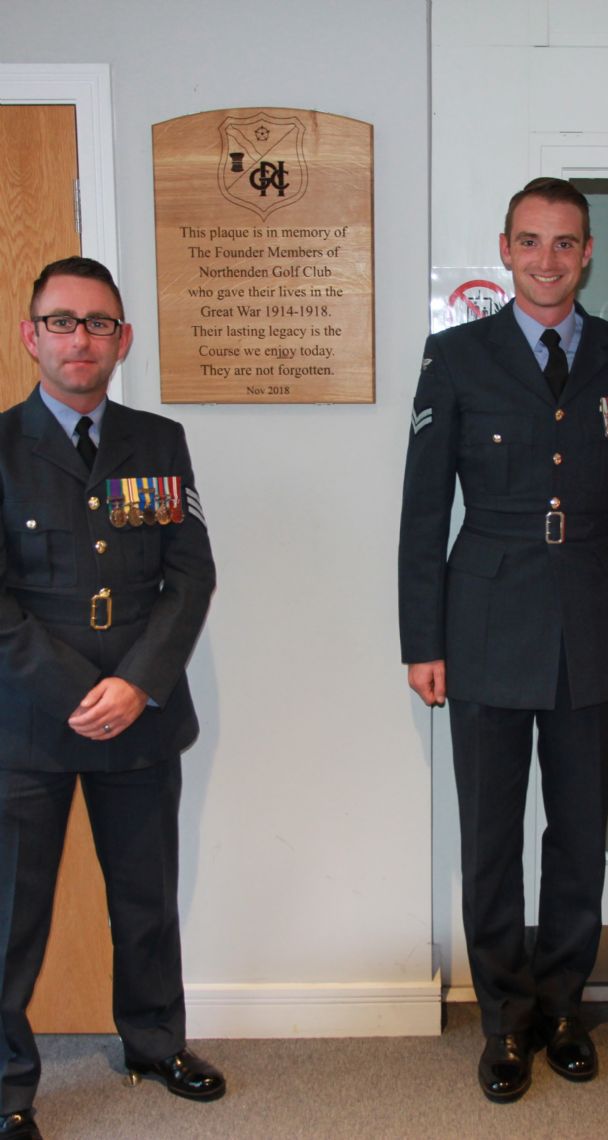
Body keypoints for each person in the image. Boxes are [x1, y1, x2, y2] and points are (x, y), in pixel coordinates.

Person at [399, 178, 608, 1102]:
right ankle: (504, 1019)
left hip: (587, 611)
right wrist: (423, 638)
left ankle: (564, 1004)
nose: (547, 259)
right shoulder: (456, 355)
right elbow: (425, 510)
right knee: (492, 837)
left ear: (587, 253)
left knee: (577, 834)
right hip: (485, 619)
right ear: (504, 249)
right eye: (530, 241)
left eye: (565, 243)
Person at [0, 258, 225, 1140]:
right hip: (27, 723)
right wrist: (78, 690)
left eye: (98, 323)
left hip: (140, 713)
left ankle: (154, 1042)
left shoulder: (158, 441)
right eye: (62, 321)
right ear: (32, 337)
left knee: (144, 897)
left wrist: (136, 683)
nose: (80, 339)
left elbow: (189, 573)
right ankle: (10, 1088)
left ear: (122, 339)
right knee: (14, 916)